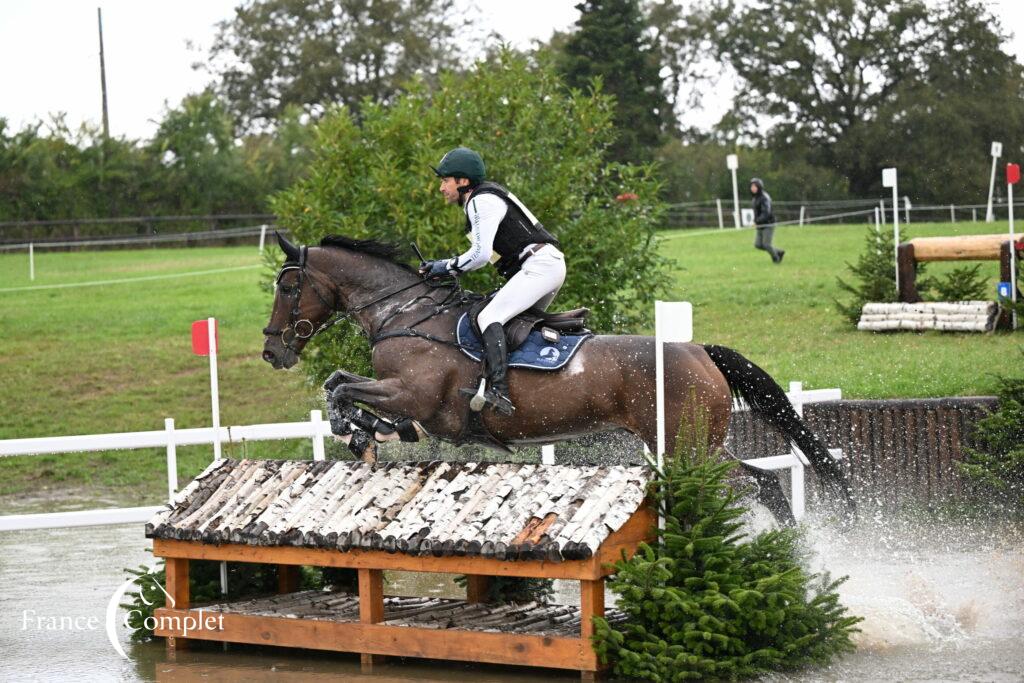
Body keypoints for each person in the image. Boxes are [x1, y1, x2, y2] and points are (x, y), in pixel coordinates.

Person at [420, 147, 566, 416]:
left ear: (463, 181)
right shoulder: (481, 199)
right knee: (513, 325)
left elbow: (479, 255)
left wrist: (445, 266)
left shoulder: (481, 200)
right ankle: (529, 384)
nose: (441, 188)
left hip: (539, 266)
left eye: (445, 180)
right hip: (541, 265)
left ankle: (500, 391)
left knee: (489, 318)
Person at [750, 177, 784, 263]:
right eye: (752, 186)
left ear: (759, 187)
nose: (753, 188)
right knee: (758, 245)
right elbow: (756, 212)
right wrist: (755, 221)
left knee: (766, 245)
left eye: (755, 186)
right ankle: (778, 252)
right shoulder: (755, 198)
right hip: (760, 224)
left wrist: (757, 221)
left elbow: (766, 213)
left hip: (768, 224)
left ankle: (776, 258)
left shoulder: (765, 198)